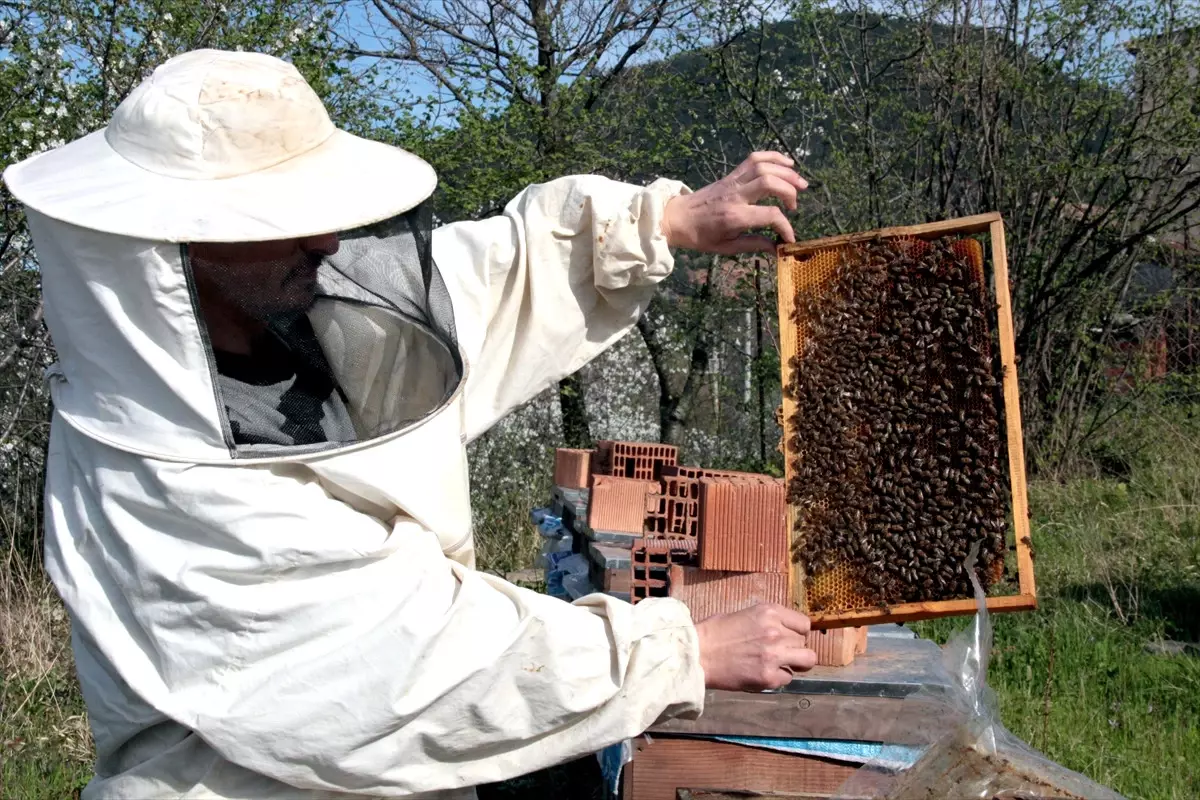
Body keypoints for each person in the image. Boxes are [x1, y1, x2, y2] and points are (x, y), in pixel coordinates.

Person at [3, 48, 817, 799]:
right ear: (176, 249)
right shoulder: (163, 486)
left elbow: (479, 284)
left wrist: (659, 224)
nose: (325, 240)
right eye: (278, 221)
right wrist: (678, 653)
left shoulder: (282, 306)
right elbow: (409, 664)